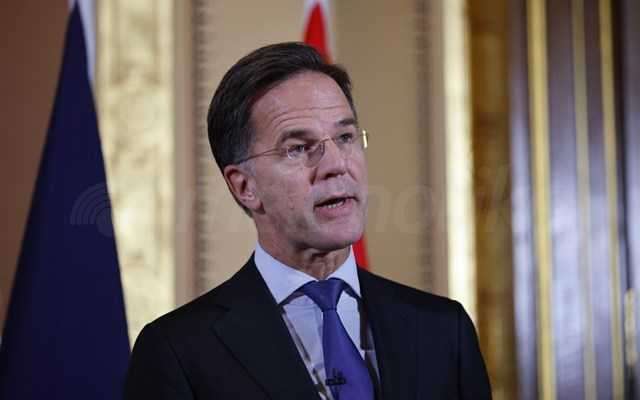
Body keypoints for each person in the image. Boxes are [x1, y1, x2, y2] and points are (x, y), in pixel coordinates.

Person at [124, 42, 491, 400]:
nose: (336, 164)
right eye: (298, 148)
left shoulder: (445, 329)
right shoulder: (178, 351)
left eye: (345, 137)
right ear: (245, 186)